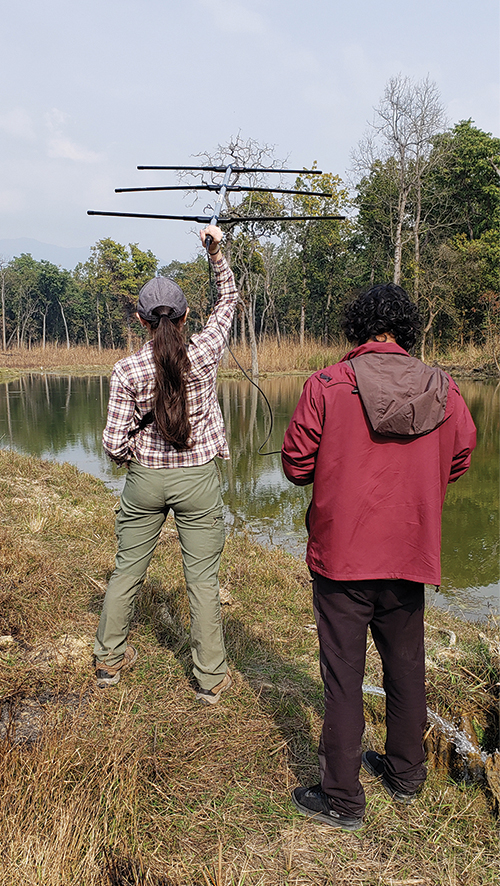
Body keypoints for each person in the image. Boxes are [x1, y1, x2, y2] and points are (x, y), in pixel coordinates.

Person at [281, 283, 476, 830]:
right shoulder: (444, 388)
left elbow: (297, 463)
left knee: (344, 677)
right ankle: (405, 773)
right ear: (405, 331)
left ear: (359, 328)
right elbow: (461, 453)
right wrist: (423, 484)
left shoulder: (327, 385)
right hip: (410, 551)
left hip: (343, 557)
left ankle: (342, 798)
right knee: (406, 666)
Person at [93, 225, 238, 704]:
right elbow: (229, 301)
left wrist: (139, 450)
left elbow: (113, 445)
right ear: (186, 315)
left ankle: (109, 664)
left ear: (140, 319)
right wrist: (215, 252)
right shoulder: (205, 351)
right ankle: (210, 680)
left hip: (145, 483)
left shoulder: (127, 369)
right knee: (202, 580)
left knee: (127, 570)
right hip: (198, 479)